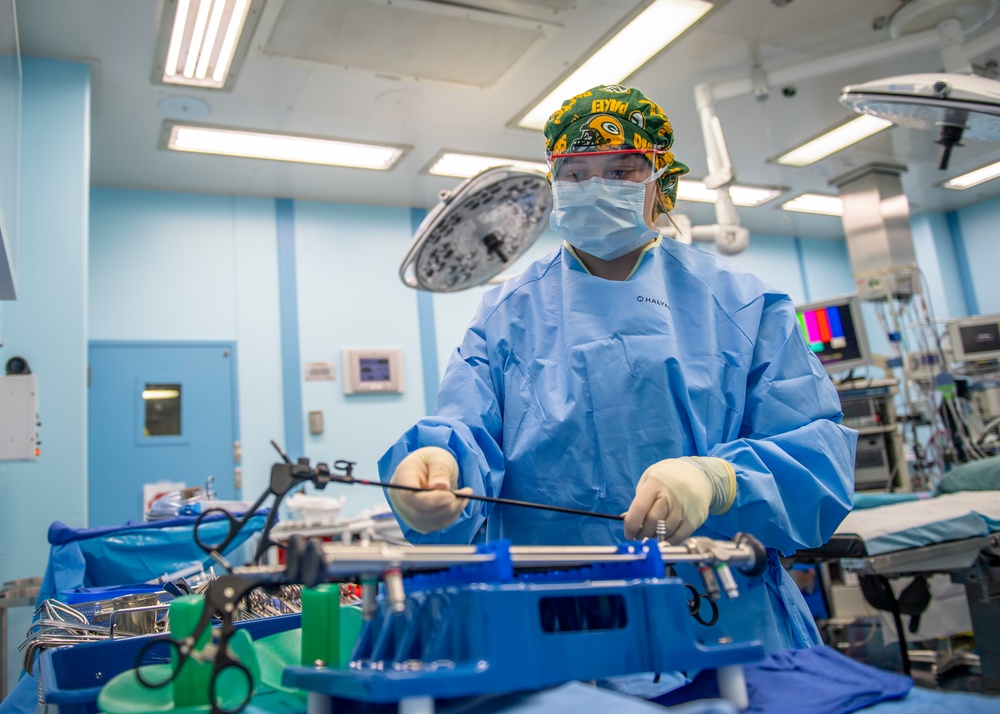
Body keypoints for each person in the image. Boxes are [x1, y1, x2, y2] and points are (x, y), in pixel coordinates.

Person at [378, 84, 856, 652]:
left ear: (662, 180)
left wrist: (722, 481)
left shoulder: (742, 304)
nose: (595, 188)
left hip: (724, 623)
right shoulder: (507, 314)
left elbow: (817, 460)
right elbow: (466, 433)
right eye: (574, 174)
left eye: (622, 170)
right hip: (557, 625)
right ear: (553, 183)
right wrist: (437, 470)